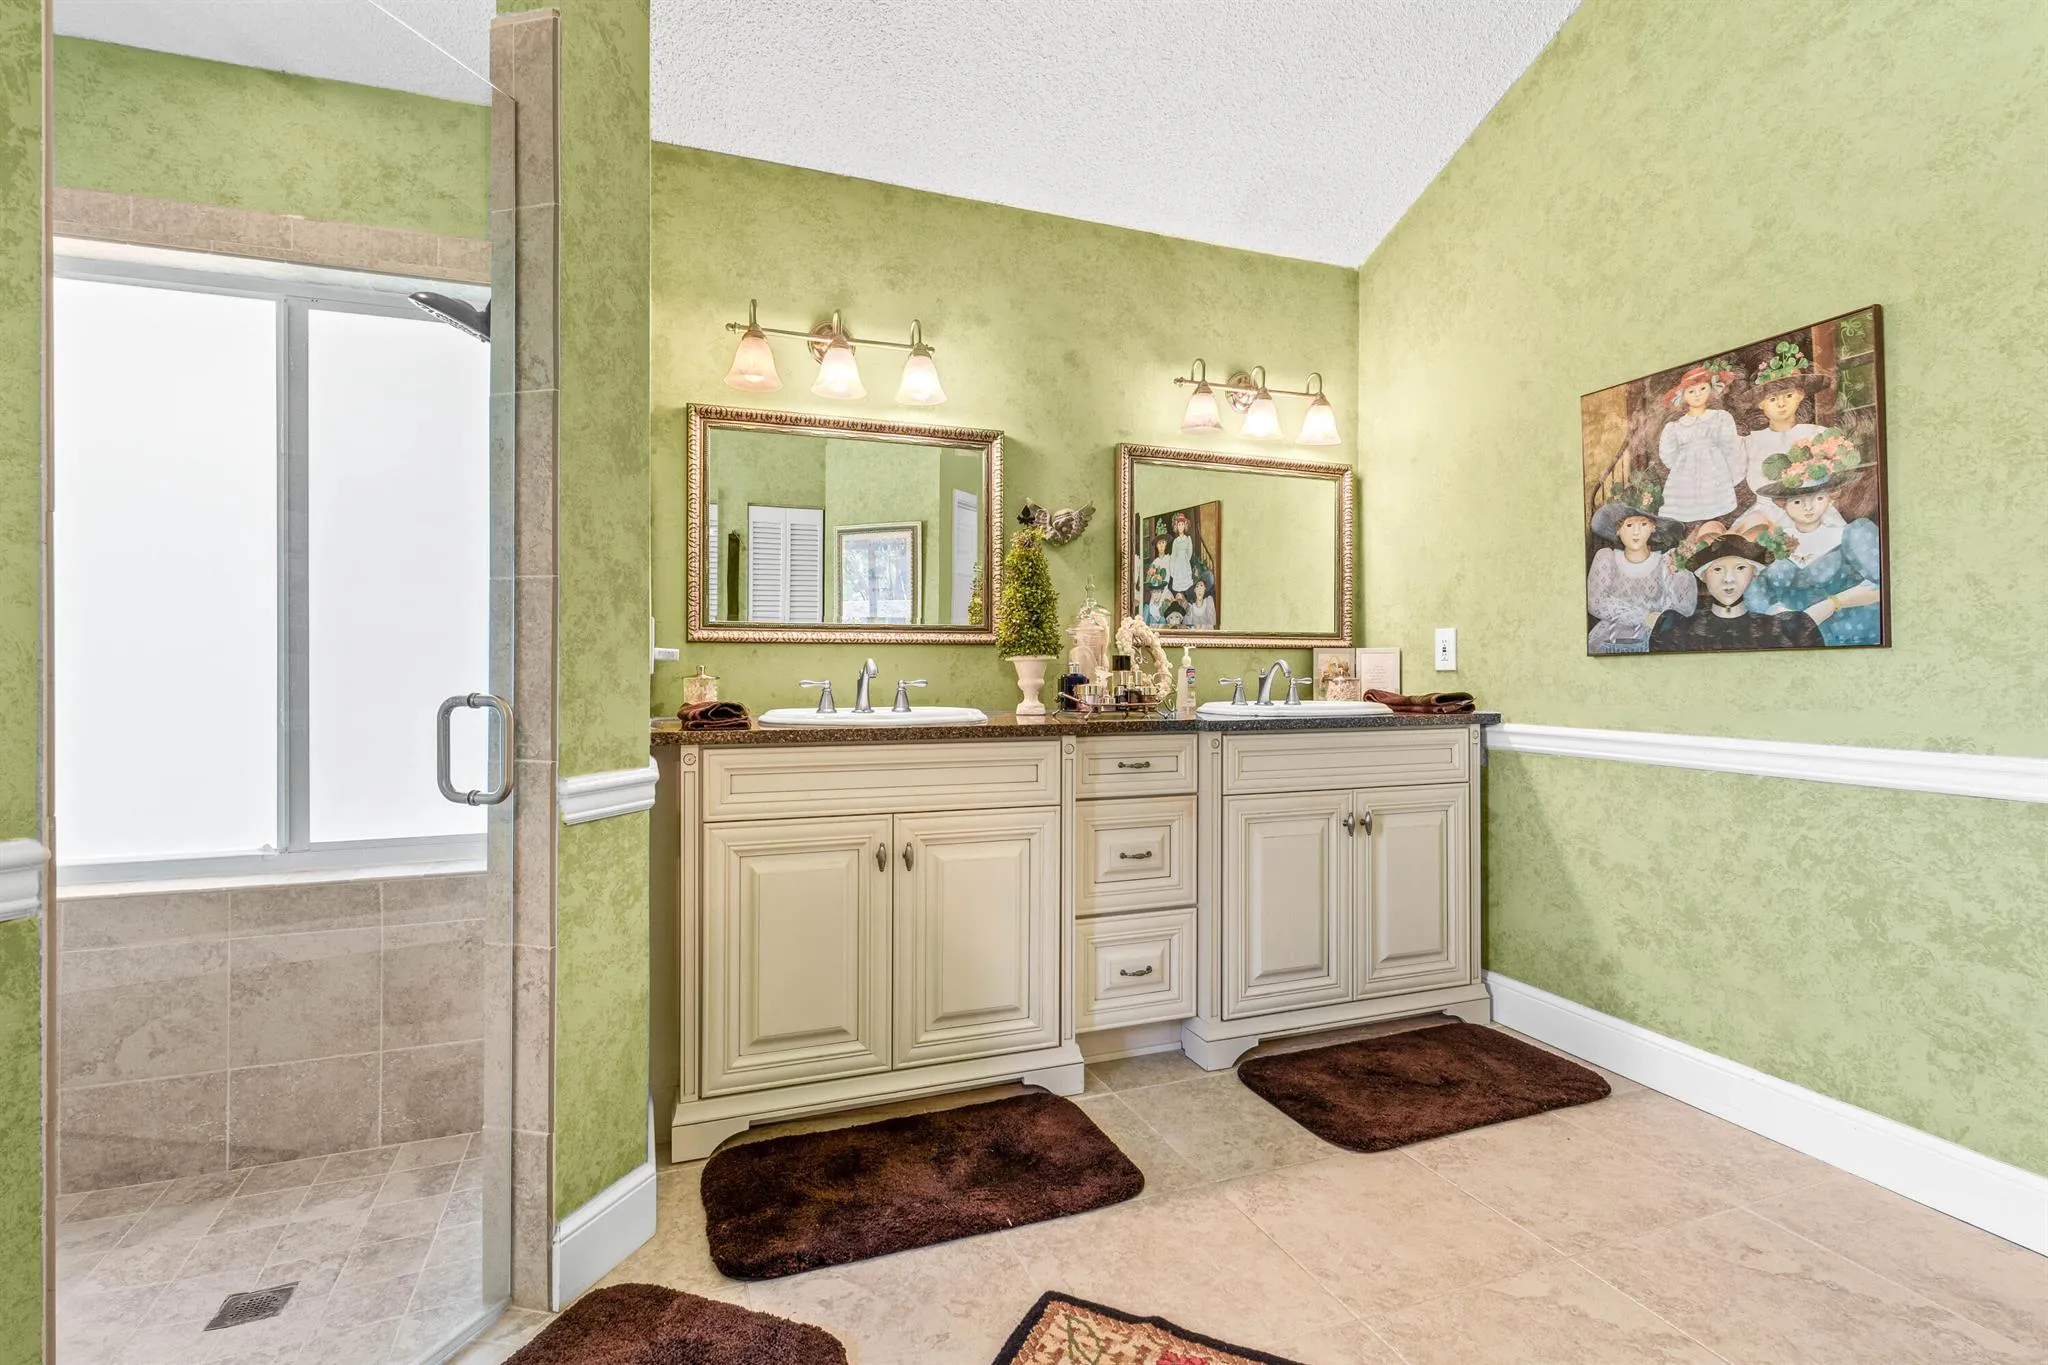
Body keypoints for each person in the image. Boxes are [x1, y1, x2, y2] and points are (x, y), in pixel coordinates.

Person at [1743, 430, 1883, 646]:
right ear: (1783, 504)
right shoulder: (1773, 542)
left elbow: (1881, 585)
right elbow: (1755, 593)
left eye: (1818, 498)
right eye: (1797, 502)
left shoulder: (1853, 533)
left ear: (1830, 499)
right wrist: (1779, 613)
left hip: (1853, 637)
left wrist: (1830, 604)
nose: (1808, 507)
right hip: (1799, 641)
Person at [1650, 532, 1824, 651]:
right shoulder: (1678, 631)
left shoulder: (1777, 630)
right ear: (1703, 576)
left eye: (1740, 568)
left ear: (1754, 573)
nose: (1728, 579)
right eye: (1717, 569)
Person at [1733, 341, 1836, 534]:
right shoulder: (1750, 441)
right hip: (1765, 515)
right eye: (1772, 399)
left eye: (1788, 395)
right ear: (1761, 404)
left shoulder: (1818, 433)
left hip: (1813, 511)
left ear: (1800, 395)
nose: (1781, 404)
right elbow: (1733, 475)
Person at [1585, 495, 1694, 654]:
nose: (1636, 532)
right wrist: (1645, 617)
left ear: (1653, 527)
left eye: (1643, 524)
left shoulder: (1665, 561)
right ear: (1618, 530)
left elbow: (1685, 609)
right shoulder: (1607, 558)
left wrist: (1679, 569)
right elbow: (1596, 602)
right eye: (1629, 525)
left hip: (1652, 640)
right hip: (1610, 639)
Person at [1655, 363, 1745, 523]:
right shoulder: (1676, 426)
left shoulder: (1720, 418)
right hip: (1685, 474)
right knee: (1688, 507)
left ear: (1711, 388)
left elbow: (1729, 445)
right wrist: (1682, 466)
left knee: (1714, 507)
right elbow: (1668, 453)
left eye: (1702, 389)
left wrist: (1725, 467)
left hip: (1715, 471)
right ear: (1683, 396)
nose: (1697, 394)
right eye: (1691, 391)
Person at [1167, 511, 1197, 595]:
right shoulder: (1176, 541)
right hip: (1177, 564)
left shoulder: (1187, 539)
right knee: (1179, 584)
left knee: (1186, 583)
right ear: (1177, 527)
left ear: (1185, 526)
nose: (1180, 527)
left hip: (1184, 562)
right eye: (1179, 525)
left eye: (1182, 525)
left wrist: (1185, 560)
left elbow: (1189, 552)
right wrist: (1173, 568)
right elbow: (1173, 555)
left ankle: (1186, 596)